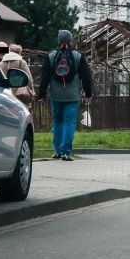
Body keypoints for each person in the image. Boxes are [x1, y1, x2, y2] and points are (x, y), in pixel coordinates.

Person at [37, 30, 93, 161]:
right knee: (69, 122)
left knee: (58, 121)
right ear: (71, 41)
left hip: (56, 95)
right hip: (73, 96)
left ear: (58, 41)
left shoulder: (51, 56)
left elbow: (44, 77)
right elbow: (86, 77)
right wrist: (88, 94)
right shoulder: (78, 56)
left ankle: (57, 150)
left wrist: (41, 95)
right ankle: (65, 152)